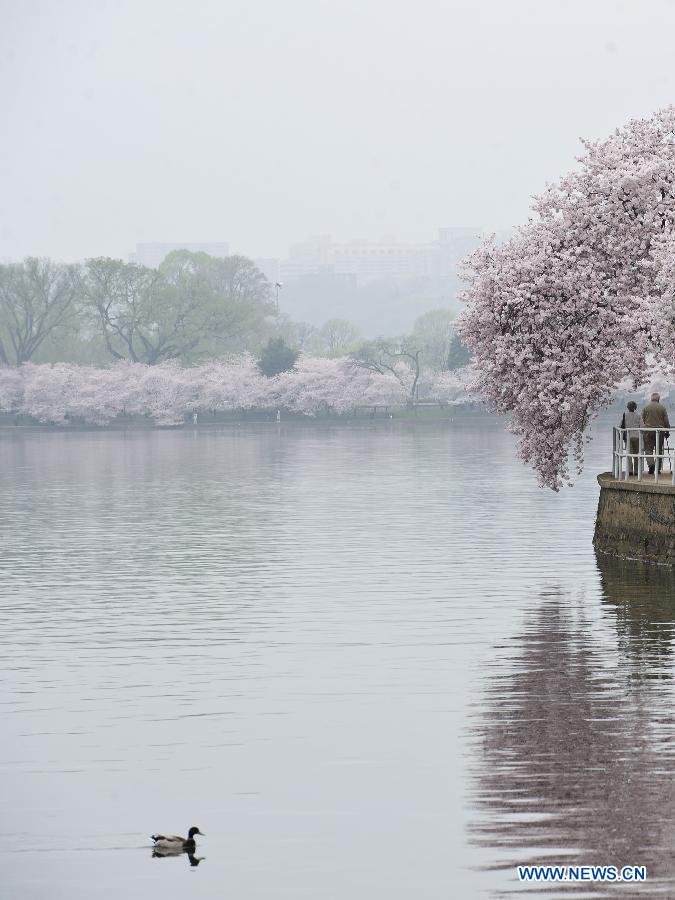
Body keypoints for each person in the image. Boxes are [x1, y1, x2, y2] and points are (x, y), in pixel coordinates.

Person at [642, 392, 670, 475]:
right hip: (660, 431)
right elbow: (666, 421)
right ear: (658, 399)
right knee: (659, 450)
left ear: (651, 399)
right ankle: (657, 469)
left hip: (648, 430)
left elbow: (642, 419)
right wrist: (667, 431)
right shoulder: (662, 408)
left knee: (648, 449)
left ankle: (651, 464)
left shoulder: (646, 407)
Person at [620, 400, 642, 476]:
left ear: (628, 407)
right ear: (635, 407)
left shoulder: (625, 415)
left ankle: (630, 470)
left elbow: (621, 425)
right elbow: (642, 426)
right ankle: (636, 471)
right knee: (636, 454)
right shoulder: (639, 415)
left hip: (628, 437)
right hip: (636, 436)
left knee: (629, 454)